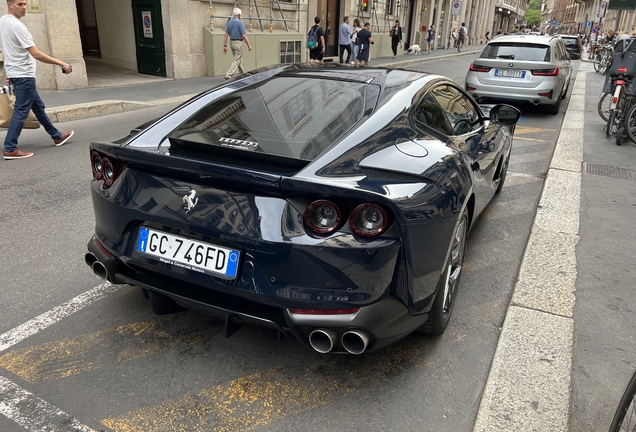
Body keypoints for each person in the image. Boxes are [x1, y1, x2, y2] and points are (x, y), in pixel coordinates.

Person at [0, 0, 74, 160]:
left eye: (25, 4)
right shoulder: (18, 26)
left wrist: (9, 71)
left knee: (38, 107)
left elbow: (7, 48)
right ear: (10, 4)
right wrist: (61, 63)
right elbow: (36, 53)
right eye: (20, 4)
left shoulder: (3, 21)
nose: (24, 7)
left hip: (16, 73)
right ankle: (10, 148)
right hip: (24, 75)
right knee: (21, 110)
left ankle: (56, 135)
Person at [223, 8, 252, 80]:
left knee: (238, 59)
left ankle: (242, 73)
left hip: (231, 42)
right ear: (239, 14)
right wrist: (248, 45)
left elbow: (226, 35)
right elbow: (244, 35)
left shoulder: (229, 22)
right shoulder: (240, 23)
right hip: (238, 42)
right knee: (237, 60)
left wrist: (225, 45)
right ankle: (228, 75)